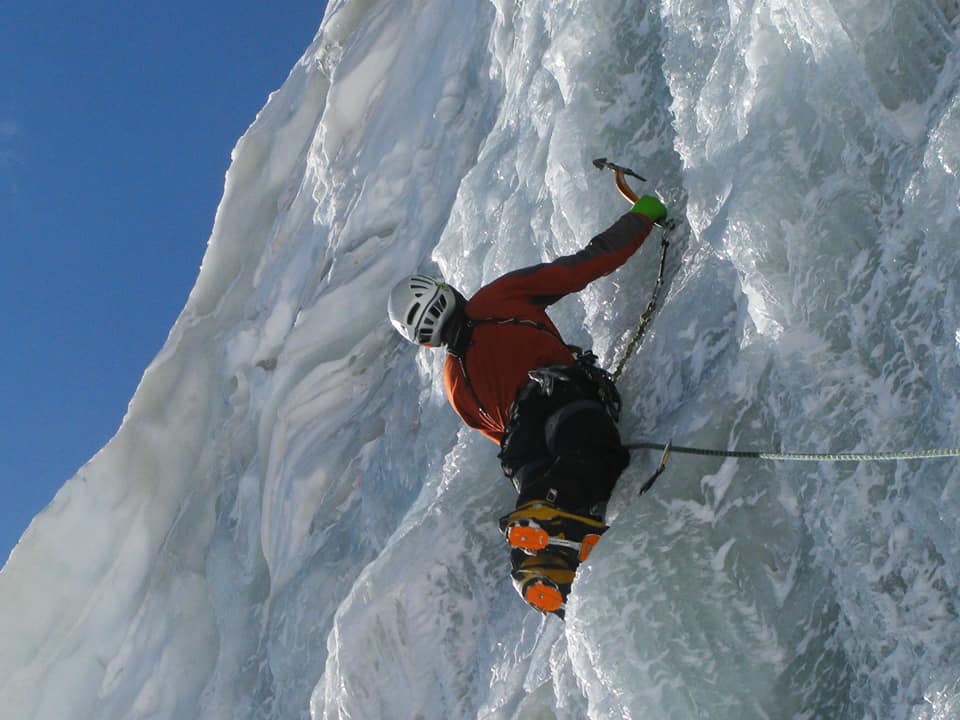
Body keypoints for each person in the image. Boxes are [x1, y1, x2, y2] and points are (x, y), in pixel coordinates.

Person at [387, 195, 668, 618]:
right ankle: (548, 508)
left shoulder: (454, 384)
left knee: (563, 490)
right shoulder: (496, 300)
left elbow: (498, 433)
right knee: (595, 455)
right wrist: (644, 215)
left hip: (521, 452)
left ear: (424, 340)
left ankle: (538, 562)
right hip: (558, 400)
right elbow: (583, 266)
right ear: (446, 291)